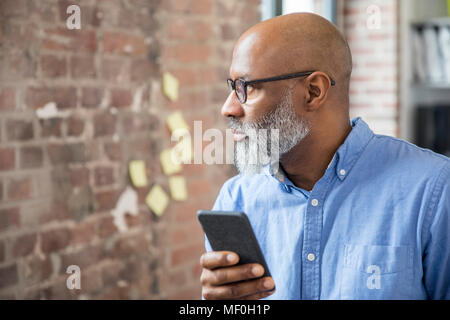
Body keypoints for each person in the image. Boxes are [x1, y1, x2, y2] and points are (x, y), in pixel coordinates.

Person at [199, 13, 450, 300]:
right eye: (231, 87)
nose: (228, 108)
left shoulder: (435, 190)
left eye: (247, 87)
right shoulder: (236, 199)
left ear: (313, 92)